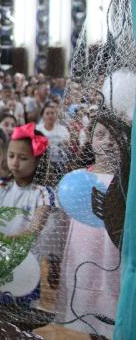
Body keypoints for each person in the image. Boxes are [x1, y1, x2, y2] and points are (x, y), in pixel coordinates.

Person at [54, 113, 127, 338]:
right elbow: (64, 223)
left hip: (113, 254)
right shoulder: (77, 179)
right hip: (83, 253)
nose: (108, 141)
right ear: (90, 139)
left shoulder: (126, 180)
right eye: (101, 135)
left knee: (113, 306)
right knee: (88, 311)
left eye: (114, 136)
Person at [0, 123, 51, 237]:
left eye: (23, 158)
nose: (15, 162)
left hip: (28, 253)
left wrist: (6, 242)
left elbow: (33, 231)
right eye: (11, 156)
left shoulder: (43, 194)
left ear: (38, 161)